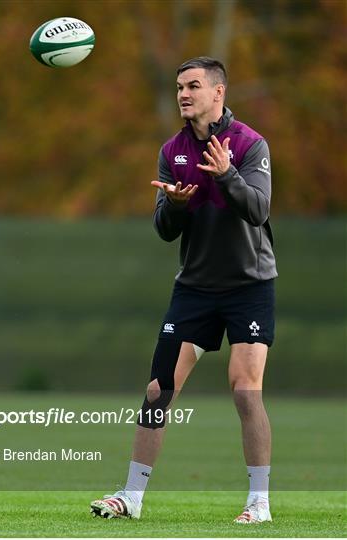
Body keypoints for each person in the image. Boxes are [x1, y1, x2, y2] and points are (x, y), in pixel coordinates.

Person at [90, 56, 277, 524]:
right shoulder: (172, 150)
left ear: (219, 92)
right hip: (194, 288)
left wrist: (226, 175)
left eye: (193, 85)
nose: (183, 94)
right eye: (179, 87)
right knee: (158, 389)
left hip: (248, 286)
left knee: (244, 391)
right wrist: (174, 207)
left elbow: (258, 210)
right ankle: (131, 497)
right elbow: (164, 229)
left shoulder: (249, 144)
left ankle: (259, 503)